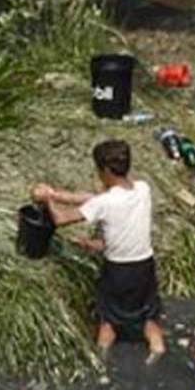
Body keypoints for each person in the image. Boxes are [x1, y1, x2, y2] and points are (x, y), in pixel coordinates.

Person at [32, 139, 166, 364]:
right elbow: (99, 200)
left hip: (118, 270)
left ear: (104, 170)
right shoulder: (143, 189)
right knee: (148, 317)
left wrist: (47, 199)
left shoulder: (104, 203)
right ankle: (157, 349)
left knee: (108, 321)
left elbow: (61, 219)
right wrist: (59, 195)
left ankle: (102, 359)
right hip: (145, 265)